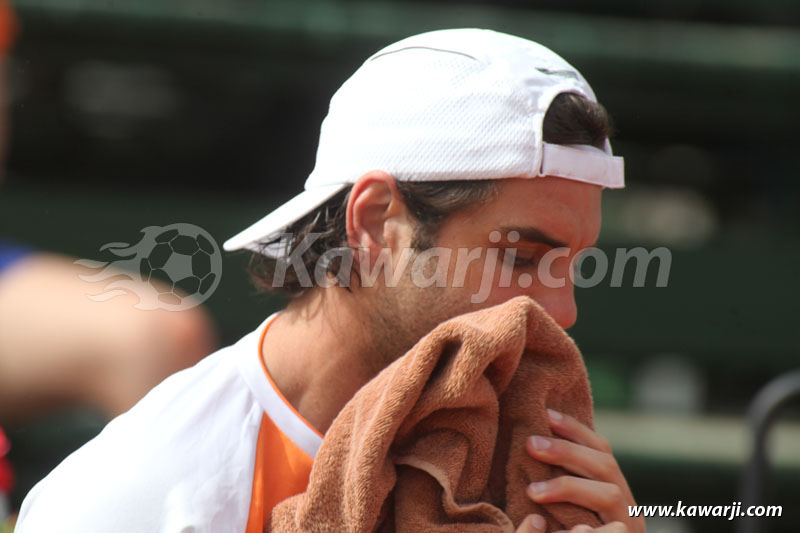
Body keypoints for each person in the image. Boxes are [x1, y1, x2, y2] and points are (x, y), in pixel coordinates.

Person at [15, 28, 643, 533]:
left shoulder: (539, 468)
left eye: (572, 265)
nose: (562, 312)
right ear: (375, 224)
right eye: (522, 258)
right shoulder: (141, 498)